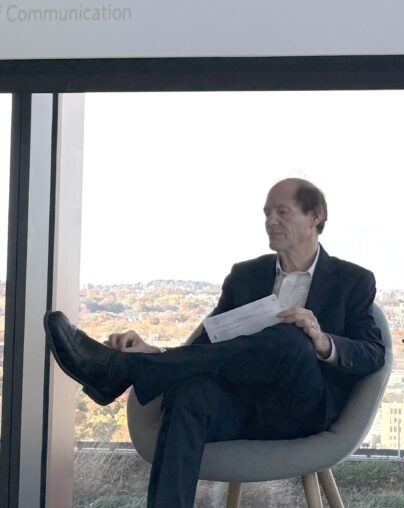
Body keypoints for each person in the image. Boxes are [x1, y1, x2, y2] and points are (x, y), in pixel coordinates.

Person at [44, 178, 386, 507]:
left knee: (291, 337)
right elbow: (208, 347)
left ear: (315, 216)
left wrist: (321, 340)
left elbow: (373, 353)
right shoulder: (245, 275)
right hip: (237, 408)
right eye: (266, 213)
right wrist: (153, 350)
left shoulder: (352, 280)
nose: (270, 221)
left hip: (300, 412)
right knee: (188, 392)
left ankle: (122, 371)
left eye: (282, 212)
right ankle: (139, 369)